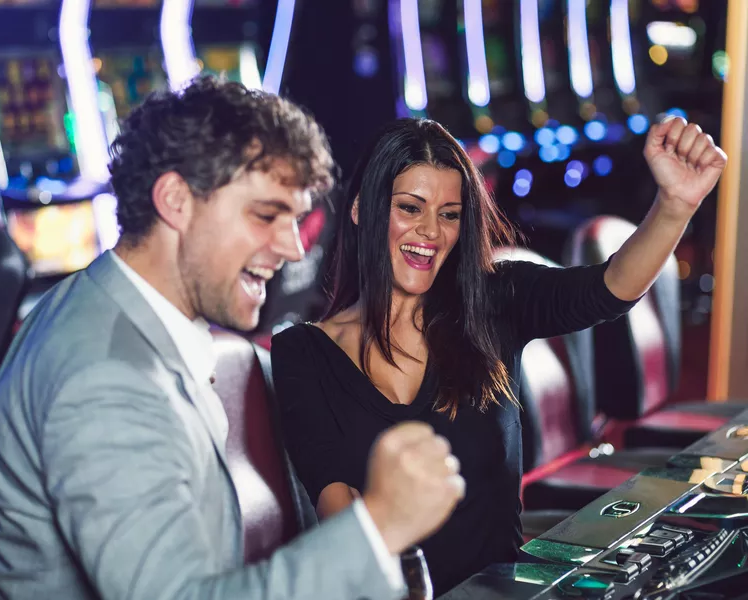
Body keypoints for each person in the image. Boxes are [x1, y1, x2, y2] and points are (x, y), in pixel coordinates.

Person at [0, 76, 467, 600]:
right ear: (176, 200)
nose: (294, 248)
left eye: (295, 219)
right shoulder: (105, 378)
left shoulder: (117, 307)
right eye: (267, 215)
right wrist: (378, 525)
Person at [271, 116, 727, 596]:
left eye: (449, 214)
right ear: (361, 208)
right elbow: (340, 520)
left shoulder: (491, 301)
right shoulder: (303, 353)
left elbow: (608, 290)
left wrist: (676, 205)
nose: (431, 232)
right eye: (410, 208)